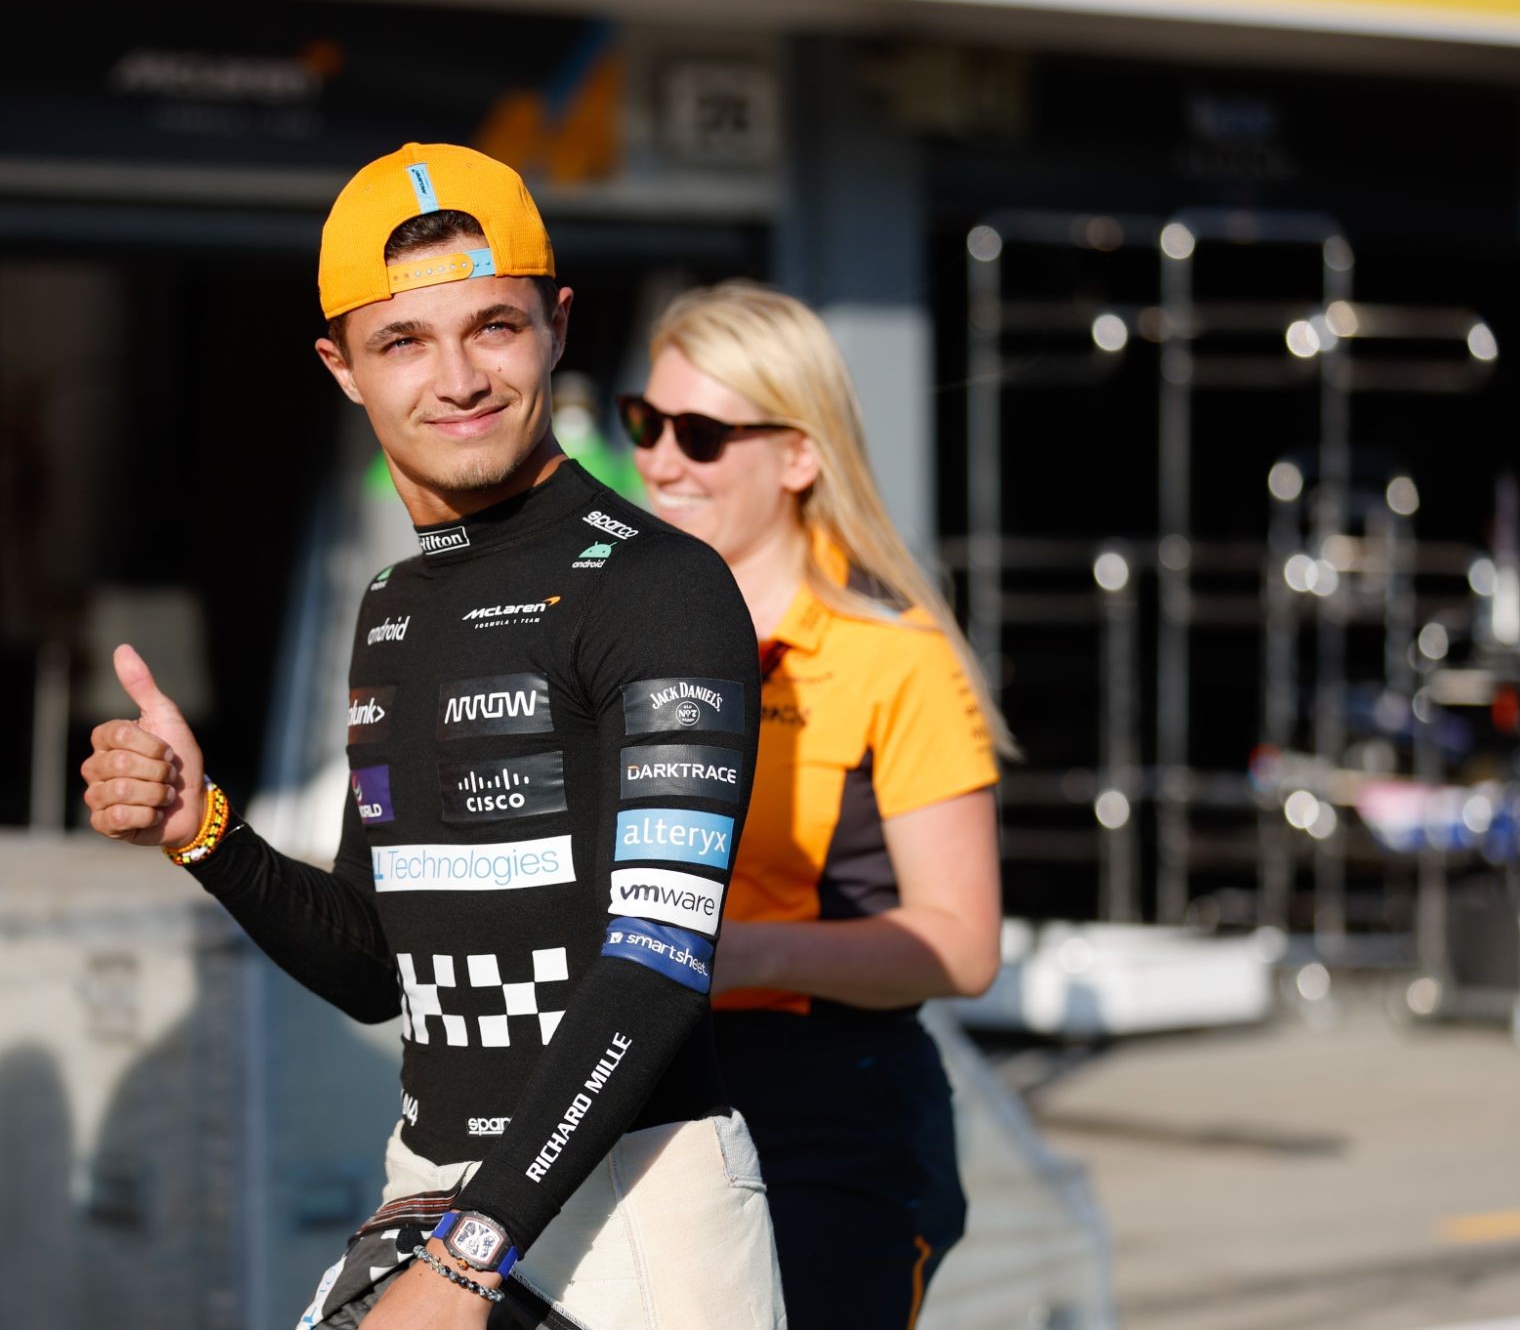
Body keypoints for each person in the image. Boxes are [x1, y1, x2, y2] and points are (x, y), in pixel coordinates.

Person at [83, 144, 784, 1328]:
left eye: (491, 327)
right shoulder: (392, 607)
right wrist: (205, 833)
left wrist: (470, 1252)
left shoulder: (659, 586)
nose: (457, 378)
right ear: (341, 368)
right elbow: (377, 968)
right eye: (403, 341)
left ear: (557, 327)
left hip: (634, 1200)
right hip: (435, 1188)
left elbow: (656, 966)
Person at [623, 280, 1010, 1328]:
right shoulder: (617, 633)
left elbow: (963, 945)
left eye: (702, 434)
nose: (661, 461)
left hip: (831, 1110)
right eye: (646, 422)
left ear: (799, 455)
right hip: (643, 1093)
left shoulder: (895, 656)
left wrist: (737, 954)